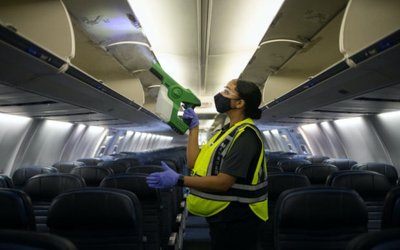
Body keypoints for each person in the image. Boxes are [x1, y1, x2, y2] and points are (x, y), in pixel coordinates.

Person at [146, 79, 268, 250]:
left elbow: (223, 183)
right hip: (223, 217)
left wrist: (179, 180)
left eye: (227, 91)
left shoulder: (245, 136)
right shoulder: (225, 132)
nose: (220, 94)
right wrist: (193, 129)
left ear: (239, 103)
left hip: (239, 221)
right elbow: (194, 162)